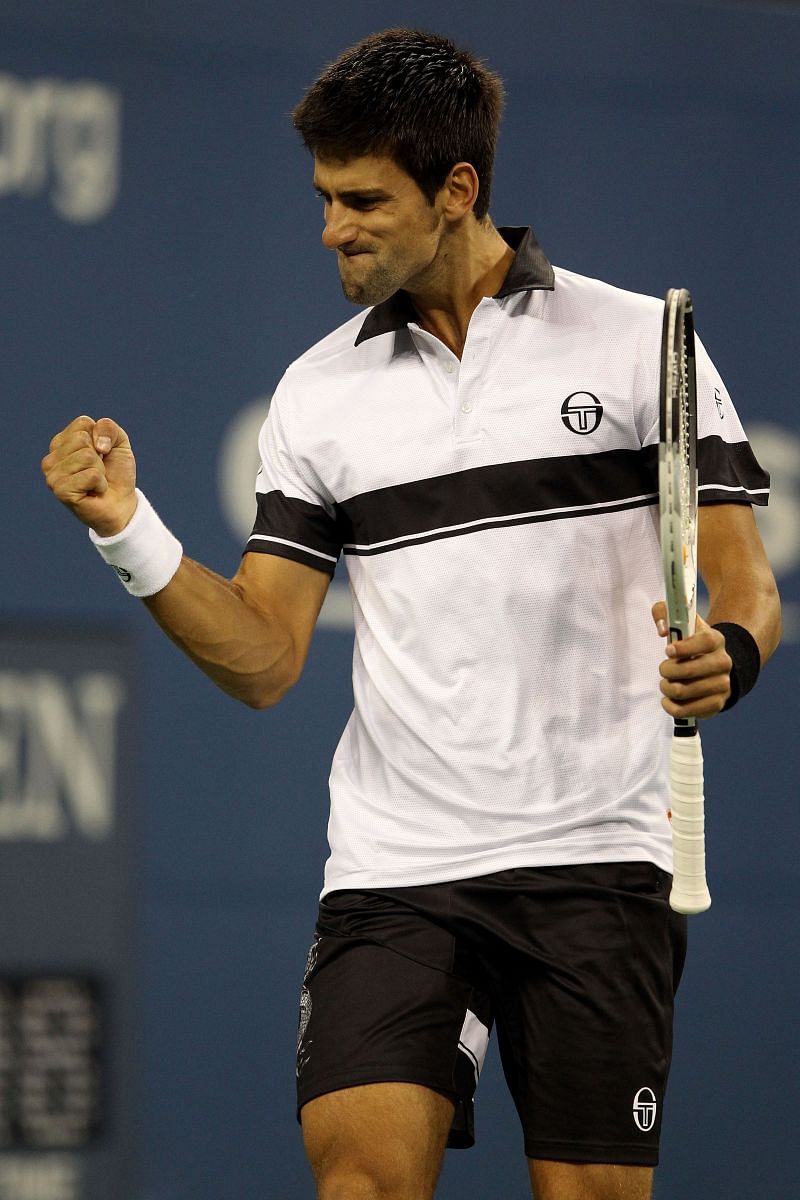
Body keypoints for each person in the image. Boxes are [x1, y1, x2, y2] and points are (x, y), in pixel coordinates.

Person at [42, 28, 780, 1200]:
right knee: (360, 1187)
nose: (331, 227)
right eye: (325, 198)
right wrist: (128, 529)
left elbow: (743, 584)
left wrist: (729, 654)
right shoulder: (316, 395)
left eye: (361, 200)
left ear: (456, 191)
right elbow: (265, 659)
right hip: (399, 871)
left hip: (595, 859)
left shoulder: (643, 341)